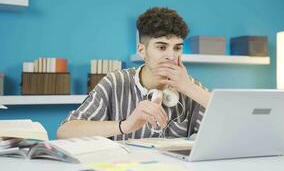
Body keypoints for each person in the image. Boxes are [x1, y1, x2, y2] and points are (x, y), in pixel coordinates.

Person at [57, 7, 211, 140]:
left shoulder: (191, 87)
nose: (171, 56)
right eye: (162, 47)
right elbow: (64, 132)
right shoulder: (115, 82)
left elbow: (232, 125)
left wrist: (190, 89)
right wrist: (126, 125)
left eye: (177, 48)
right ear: (142, 51)